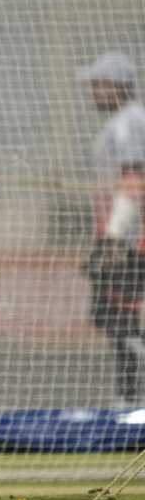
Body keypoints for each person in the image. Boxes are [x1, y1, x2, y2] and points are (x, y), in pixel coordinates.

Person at [81, 53, 145, 406]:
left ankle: (128, 400)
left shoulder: (127, 122)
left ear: (115, 86)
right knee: (116, 317)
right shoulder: (127, 120)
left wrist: (115, 238)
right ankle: (127, 397)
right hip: (126, 236)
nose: (92, 93)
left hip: (130, 239)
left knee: (116, 316)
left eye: (98, 85)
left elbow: (134, 179)